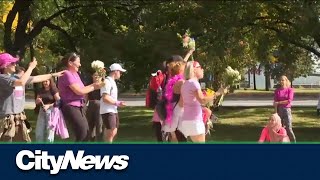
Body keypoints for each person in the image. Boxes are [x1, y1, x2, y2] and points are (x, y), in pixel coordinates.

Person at [0, 52, 64, 142]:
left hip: (19, 118)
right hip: (7, 120)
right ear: (5, 66)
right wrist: (30, 67)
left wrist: (53, 75)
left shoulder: (15, 78)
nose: (15, 64)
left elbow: (36, 78)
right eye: (12, 63)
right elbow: (21, 82)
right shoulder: (2, 78)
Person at [57, 52, 103, 142]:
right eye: (78, 62)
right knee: (83, 134)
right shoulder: (66, 74)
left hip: (80, 106)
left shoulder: (76, 74)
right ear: (70, 63)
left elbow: (83, 89)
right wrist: (94, 86)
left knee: (86, 133)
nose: (80, 64)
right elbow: (79, 91)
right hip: (71, 106)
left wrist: (95, 85)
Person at [178, 61, 226, 142]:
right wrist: (217, 93)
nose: (202, 69)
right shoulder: (194, 83)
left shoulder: (185, 84)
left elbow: (181, 104)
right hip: (195, 121)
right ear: (194, 70)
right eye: (200, 67)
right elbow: (202, 100)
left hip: (186, 121)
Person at [100, 63, 126, 143]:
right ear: (115, 71)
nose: (121, 74)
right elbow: (105, 98)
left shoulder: (112, 82)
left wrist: (117, 104)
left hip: (113, 110)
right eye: (120, 72)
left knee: (114, 131)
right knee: (110, 131)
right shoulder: (107, 82)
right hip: (107, 110)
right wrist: (117, 103)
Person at [162, 60, 186, 142]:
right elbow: (183, 100)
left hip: (172, 110)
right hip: (178, 111)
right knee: (181, 138)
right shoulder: (181, 82)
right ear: (181, 71)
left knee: (175, 137)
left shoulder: (173, 81)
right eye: (185, 68)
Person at [273, 75, 296, 142]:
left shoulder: (290, 90)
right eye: (280, 80)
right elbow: (275, 102)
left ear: (286, 81)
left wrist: (279, 103)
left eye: (283, 80)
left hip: (287, 110)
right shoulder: (277, 91)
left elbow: (289, 100)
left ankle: (293, 142)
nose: (281, 81)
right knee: (279, 128)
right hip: (279, 110)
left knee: (289, 128)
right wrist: (275, 112)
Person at [86, 72, 104, 141]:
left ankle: (99, 142)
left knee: (99, 124)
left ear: (101, 77)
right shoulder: (90, 85)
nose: (96, 77)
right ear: (92, 76)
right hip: (90, 105)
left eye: (98, 76)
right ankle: (91, 141)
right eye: (95, 76)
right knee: (90, 125)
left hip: (100, 106)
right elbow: (86, 96)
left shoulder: (103, 85)